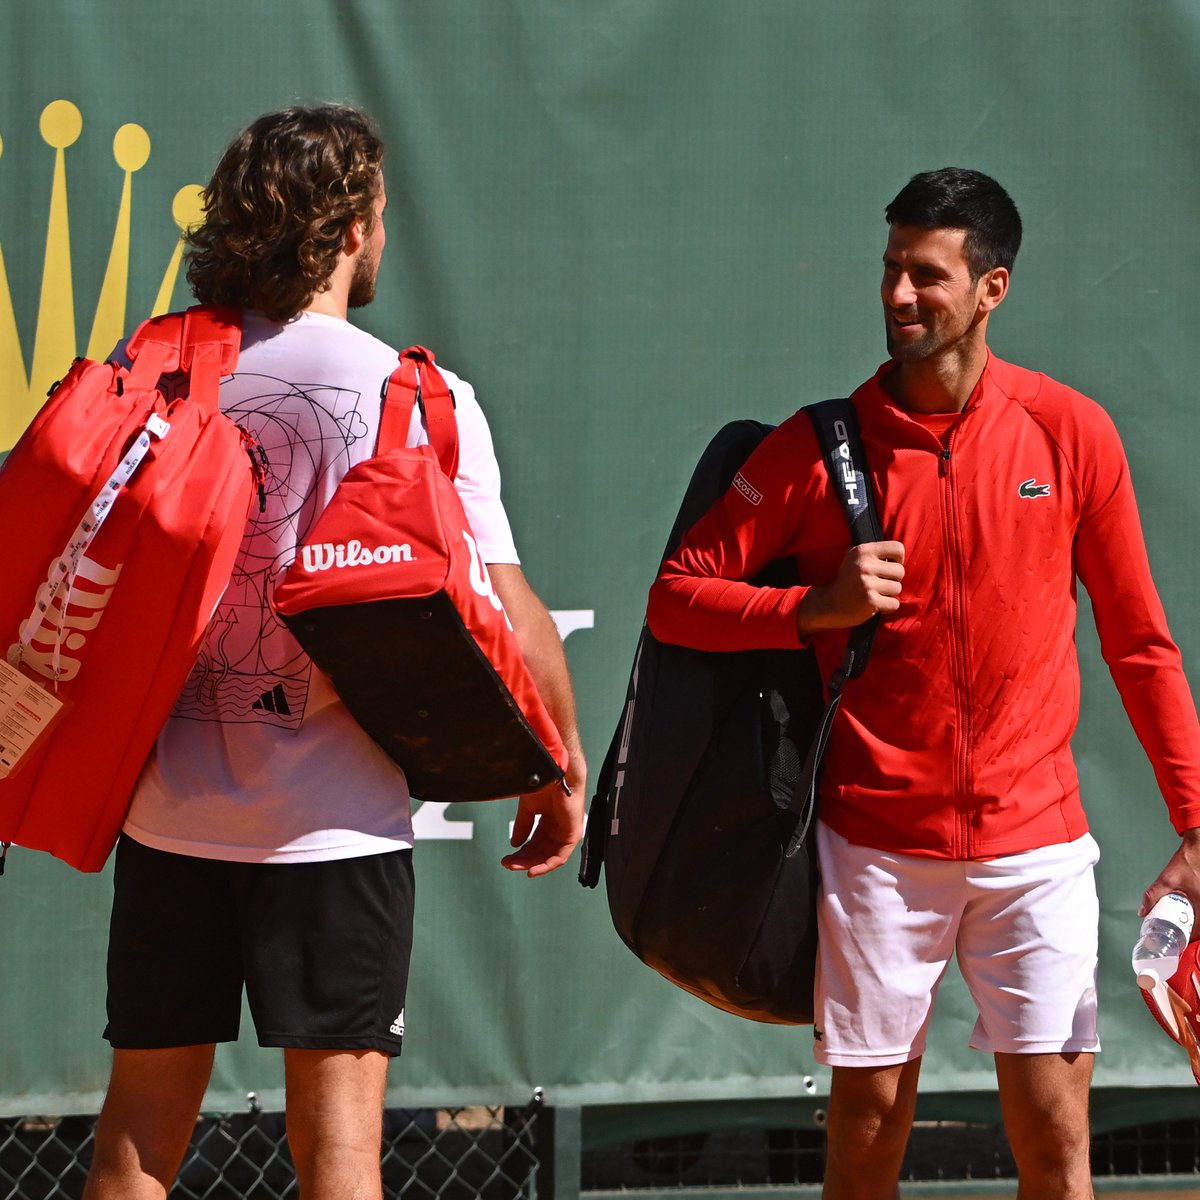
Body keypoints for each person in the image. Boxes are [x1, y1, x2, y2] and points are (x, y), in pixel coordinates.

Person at [646, 167, 1200, 1200]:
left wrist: (1197, 823)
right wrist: (810, 608)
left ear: (992, 289)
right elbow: (677, 596)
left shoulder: (1071, 431)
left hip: (1037, 848)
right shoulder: (819, 448)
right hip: (875, 847)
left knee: (1056, 1139)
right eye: (891, 268)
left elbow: (1141, 645)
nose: (899, 294)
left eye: (927, 275)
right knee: (865, 1138)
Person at [83, 105, 586, 1200]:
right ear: (352, 227)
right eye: (382, 216)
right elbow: (510, 609)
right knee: (342, 1153)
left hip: (168, 818)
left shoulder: (161, 367)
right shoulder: (422, 396)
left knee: (137, 1139)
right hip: (338, 832)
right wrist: (557, 762)